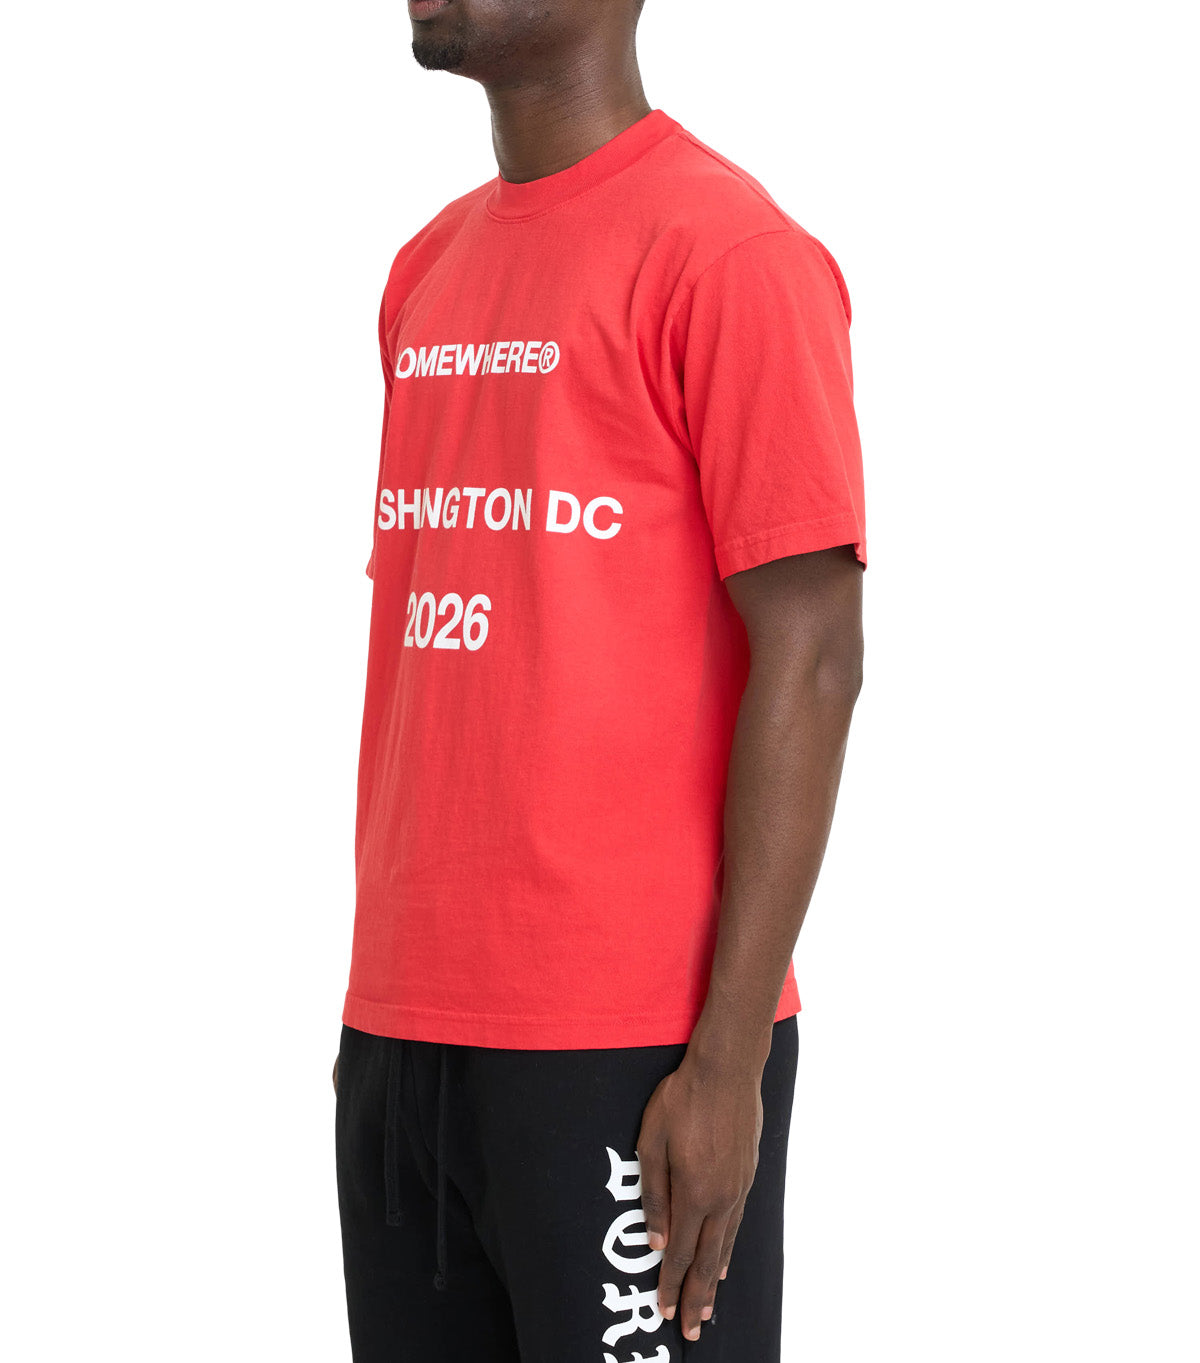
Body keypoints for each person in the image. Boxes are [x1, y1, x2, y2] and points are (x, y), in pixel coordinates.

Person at [332, 1, 867, 1358]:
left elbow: (815, 654)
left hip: (631, 1045)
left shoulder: (730, 253)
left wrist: (728, 1060)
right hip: (402, 1032)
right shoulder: (424, 271)